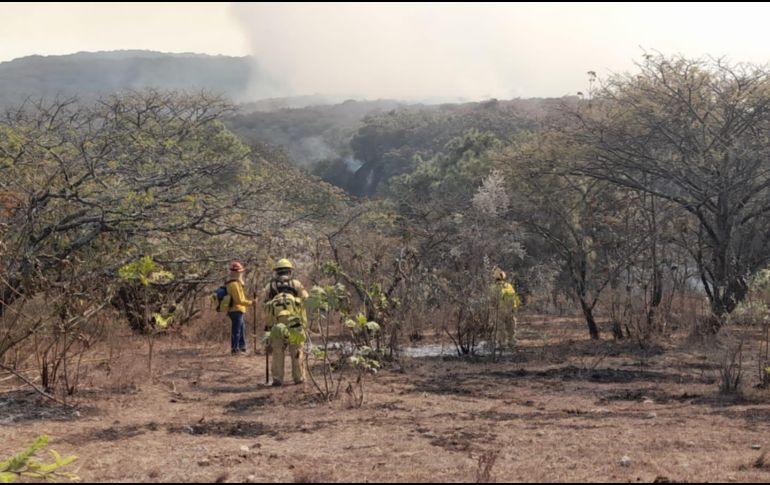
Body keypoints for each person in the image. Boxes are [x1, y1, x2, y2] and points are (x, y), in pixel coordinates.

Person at [263, 258, 309, 386]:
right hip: (295, 324)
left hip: (276, 325)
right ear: (290, 271)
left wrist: (268, 326)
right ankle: (299, 378)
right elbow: (306, 299)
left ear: (276, 272)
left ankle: (277, 379)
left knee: (277, 351)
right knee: (297, 350)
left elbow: (265, 306)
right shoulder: (296, 284)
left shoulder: (270, 286)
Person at [225, 261, 257, 355]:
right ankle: (235, 349)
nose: (241, 273)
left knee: (241, 329)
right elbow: (239, 300)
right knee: (237, 330)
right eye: (240, 271)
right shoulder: (234, 284)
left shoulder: (235, 283)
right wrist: (252, 303)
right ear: (236, 272)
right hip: (236, 310)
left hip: (237, 310)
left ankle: (242, 348)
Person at [491, 268, 521, 350]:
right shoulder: (509, 286)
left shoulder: (494, 287)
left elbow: (492, 300)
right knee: (511, 328)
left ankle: (501, 344)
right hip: (510, 310)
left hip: (500, 311)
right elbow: (515, 298)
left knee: (500, 328)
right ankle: (512, 343)